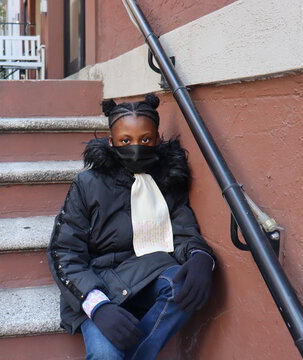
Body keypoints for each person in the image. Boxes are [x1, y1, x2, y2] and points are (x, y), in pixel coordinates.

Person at [46, 93, 216, 360]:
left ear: (157, 140)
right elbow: (63, 252)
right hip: (99, 281)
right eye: (126, 140)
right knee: (105, 355)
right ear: (111, 141)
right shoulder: (88, 183)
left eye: (145, 140)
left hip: (150, 270)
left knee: (184, 285)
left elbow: (183, 232)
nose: (136, 147)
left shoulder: (167, 179)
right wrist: (97, 305)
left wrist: (200, 256)